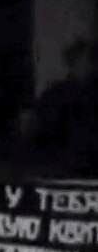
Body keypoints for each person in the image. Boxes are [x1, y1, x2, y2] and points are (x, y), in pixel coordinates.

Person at [35, 39, 97, 175]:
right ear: (73, 63)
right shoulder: (56, 94)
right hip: (66, 163)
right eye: (84, 62)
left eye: (90, 62)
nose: (89, 67)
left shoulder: (92, 93)